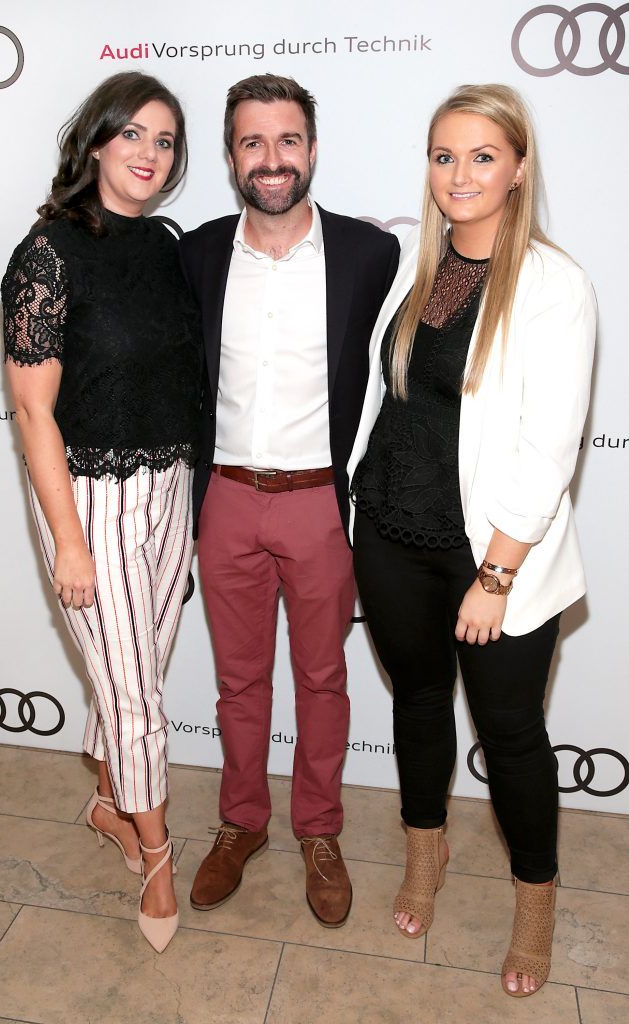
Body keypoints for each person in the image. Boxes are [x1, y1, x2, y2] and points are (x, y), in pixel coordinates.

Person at [348, 84, 595, 994]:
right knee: (415, 703)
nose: (459, 174)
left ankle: (535, 903)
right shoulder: (422, 271)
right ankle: (426, 856)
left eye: (482, 155)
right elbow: (392, 410)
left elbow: (548, 447)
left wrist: (495, 575)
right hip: (388, 532)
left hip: (491, 555)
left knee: (510, 733)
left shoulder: (554, 284)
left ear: (518, 169)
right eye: (444, 155)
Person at [180, 73, 399, 927]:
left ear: (311, 147)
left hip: (318, 503)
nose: (271, 161)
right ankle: (242, 822)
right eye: (251, 143)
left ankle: (319, 830)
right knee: (239, 682)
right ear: (232, 154)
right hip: (226, 497)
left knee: (321, 677)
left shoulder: (367, 253)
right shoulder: (195, 253)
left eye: (287, 141)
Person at [2, 71, 203, 953]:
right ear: (94, 143)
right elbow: (33, 411)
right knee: (135, 697)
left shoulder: (165, 244)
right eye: (133, 135)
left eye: (164, 141)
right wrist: (70, 544)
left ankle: (106, 802)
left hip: (168, 489)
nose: (149, 154)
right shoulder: (45, 253)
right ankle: (157, 858)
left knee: (138, 672)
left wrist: (191, 502)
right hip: (88, 496)